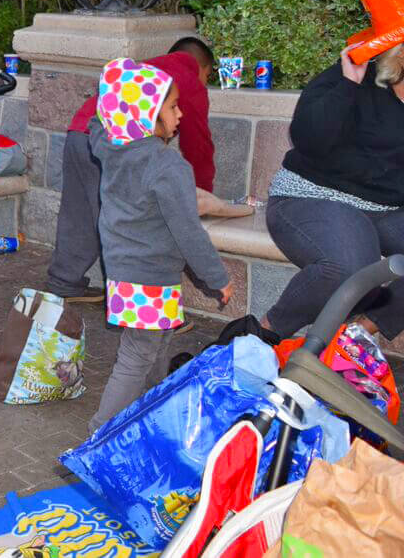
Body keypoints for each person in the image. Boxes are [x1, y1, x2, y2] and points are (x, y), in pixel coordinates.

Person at [87, 58, 231, 433]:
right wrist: (217, 277)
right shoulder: (167, 165)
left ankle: (147, 412)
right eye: (172, 107)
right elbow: (188, 231)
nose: (180, 114)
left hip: (124, 270)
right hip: (149, 275)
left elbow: (96, 123)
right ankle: (101, 432)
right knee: (137, 353)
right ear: (146, 114)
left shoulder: (111, 146)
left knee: (157, 340)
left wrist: (110, 102)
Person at [44, 37, 217, 302]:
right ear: (203, 67)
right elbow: (198, 146)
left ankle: (63, 282)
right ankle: (134, 305)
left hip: (81, 133)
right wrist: (202, 193)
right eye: (208, 76)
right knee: (128, 228)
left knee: (78, 212)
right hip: (118, 149)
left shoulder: (146, 68)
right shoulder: (187, 81)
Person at [261, 45, 404, 342]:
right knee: (350, 267)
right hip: (315, 195)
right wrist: (348, 85)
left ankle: (353, 339)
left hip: (386, 207)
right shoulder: (358, 74)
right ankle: (263, 335)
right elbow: (307, 138)